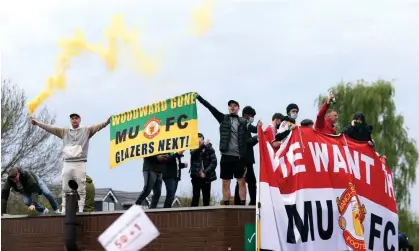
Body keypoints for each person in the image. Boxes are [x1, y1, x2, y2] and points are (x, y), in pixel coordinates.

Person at [31, 113, 110, 213]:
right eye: (72, 119)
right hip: (67, 162)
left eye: (76, 118)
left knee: (81, 187)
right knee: (65, 187)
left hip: (80, 162)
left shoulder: (86, 130)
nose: (74, 120)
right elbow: (50, 128)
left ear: (79, 120)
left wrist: (107, 122)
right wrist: (38, 123)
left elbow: (98, 127)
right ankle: (64, 210)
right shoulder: (64, 131)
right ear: (70, 121)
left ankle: (81, 210)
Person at [196, 94, 261, 205]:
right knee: (225, 182)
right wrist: (199, 98)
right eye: (230, 105)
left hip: (239, 157)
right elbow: (211, 108)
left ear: (238, 108)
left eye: (235, 105)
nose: (232, 107)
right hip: (226, 156)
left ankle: (242, 205)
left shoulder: (243, 121)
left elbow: (255, 130)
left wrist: (259, 126)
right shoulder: (223, 118)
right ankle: (226, 205)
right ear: (228, 108)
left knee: (241, 181)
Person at [234, 106, 258, 205]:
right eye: (251, 116)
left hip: (247, 159)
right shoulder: (242, 125)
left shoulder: (246, 126)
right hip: (244, 159)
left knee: (245, 181)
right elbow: (245, 142)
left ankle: (245, 201)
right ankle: (248, 202)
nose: (252, 118)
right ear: (246, 115)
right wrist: (257, 138)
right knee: (246, 181)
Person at [190, 133, 217, 207]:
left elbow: (214, 163)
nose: (198, 141)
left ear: (203, 139)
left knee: (206, 199)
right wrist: (202, 146)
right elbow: (193, 153)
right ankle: (193, 216)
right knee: (195, 197)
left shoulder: (210, 149)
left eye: (200, 139)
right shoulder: (193, 149)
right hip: (196, 176)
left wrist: (205, 172)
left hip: (207, 177)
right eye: (197, 139)